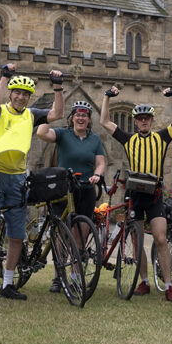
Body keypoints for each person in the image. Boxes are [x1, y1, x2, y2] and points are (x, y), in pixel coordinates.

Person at [0, 63, 64, 301]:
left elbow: (57, 114)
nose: (21, 97)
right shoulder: (0, 111)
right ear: (11, 93)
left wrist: (58, 88)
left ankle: (7, 284)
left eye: (25, 94)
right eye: (17, 92)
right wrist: (4, 77)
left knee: (16, 235)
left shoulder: (31, 115)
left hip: (17, 177)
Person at [99, 85, 172, 302]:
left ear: (151, 121)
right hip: (134, 195)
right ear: (135, 121)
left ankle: (169, 285)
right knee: (136, 239)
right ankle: (144, 281)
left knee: (161, 239)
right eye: (140, 118)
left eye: (147, 118)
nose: (144, 121)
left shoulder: (162, 137)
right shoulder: (128, 139)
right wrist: (107, 97)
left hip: (154, 195)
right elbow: (105, 122)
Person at [36, 99, 106, 293]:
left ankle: (75, 277)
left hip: (86, 188)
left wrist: (97, 174)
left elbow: (100, 162)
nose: (81, 118)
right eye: (77, 114)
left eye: (84, 115)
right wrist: (47, 115)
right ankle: (59, 275)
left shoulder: (95, 140)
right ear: (71, 118)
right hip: (65, 189)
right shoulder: (63, 134)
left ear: (89, 119)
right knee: (62, 232)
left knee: (80, 234)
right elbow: (41, 133)